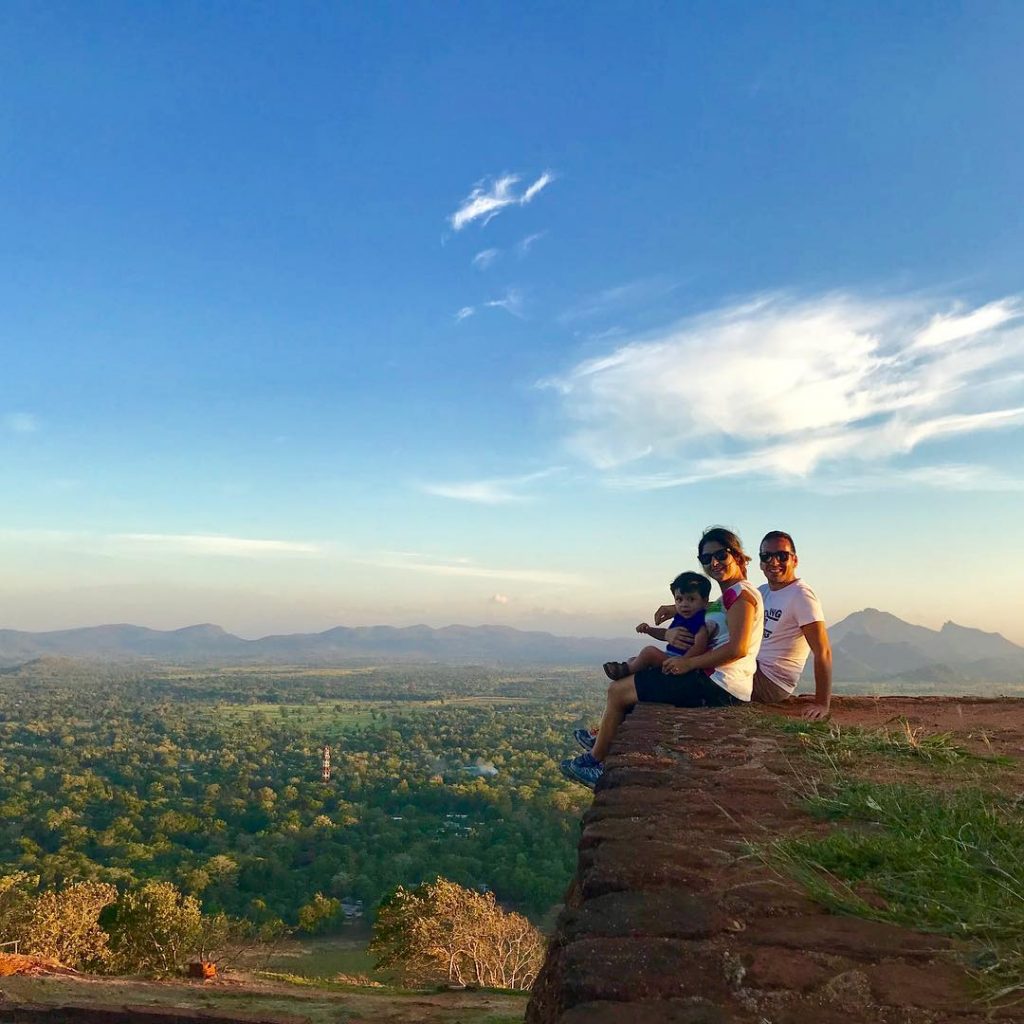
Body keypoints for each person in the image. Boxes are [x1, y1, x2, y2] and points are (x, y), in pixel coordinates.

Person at [561, 527, 763, 788]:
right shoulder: (730, 594)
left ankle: (596, 763)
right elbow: (712, 610)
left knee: (618, 691)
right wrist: (673, 609)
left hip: (717, 684)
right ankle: (605, 738)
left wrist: (687, 663)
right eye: (705, 558)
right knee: (640, 666)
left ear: (736, 555)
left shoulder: (740, 596)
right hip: (715, 679)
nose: (713, 563)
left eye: (720, 555)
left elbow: (738, 649)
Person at [751, 530, 832, 720]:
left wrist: (822, 703)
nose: (774, 561)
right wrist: (680, 609)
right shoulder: (762, 592)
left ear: (794, 560)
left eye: (781, 555)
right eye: (767, 556)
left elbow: (823, 651)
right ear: (761, 562)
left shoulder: (801, 596)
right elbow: (726, 607)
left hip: (771, 682)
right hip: (754, 668)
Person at [601, 571, 712, 682]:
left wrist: (683, 662)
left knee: (649, 652)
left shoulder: (700, 622)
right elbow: (665, 635)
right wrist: (649, 630)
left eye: (691, 599)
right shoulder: (681, 618)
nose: (684, 604)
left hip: (679, 662)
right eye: (679, 599)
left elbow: (699, 647)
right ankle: (630, 670)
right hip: (671, 657)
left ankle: (625, 671)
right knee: (634, 659)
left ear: (704, 601)